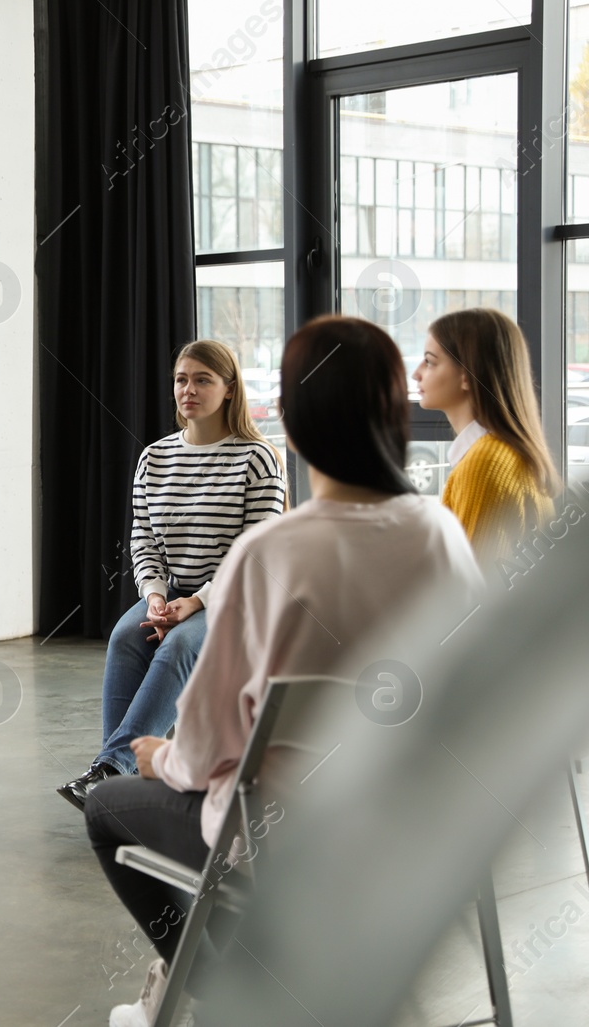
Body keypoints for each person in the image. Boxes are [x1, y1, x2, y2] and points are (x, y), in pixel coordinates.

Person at [86, 316, 483, 1027]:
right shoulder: (442, 533)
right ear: (398, 411)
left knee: (106, 807)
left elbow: (203, 752)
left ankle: (215, 984)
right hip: (413, 819)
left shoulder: (269, 554)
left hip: (286, 831)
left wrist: (154, 755)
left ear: (290, 430)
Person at [58, 341, 285, 812]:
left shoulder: (256, 459)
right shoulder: (155, 459)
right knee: (126, 636)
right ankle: (117, 777)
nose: (189, 389)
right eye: (182, 379)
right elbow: (143, 541)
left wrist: (197, 602)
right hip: (174, 593)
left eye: (203, 379)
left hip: (236, 599)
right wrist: (156, 597)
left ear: (228, 390)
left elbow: (255, 556)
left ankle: (110, 770)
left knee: (181, 644)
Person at [413, 307, 561, 578]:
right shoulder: (499, 454)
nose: (416, 373)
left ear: (467, 376)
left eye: (430, 362)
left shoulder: (486, 463)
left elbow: (468, 597)